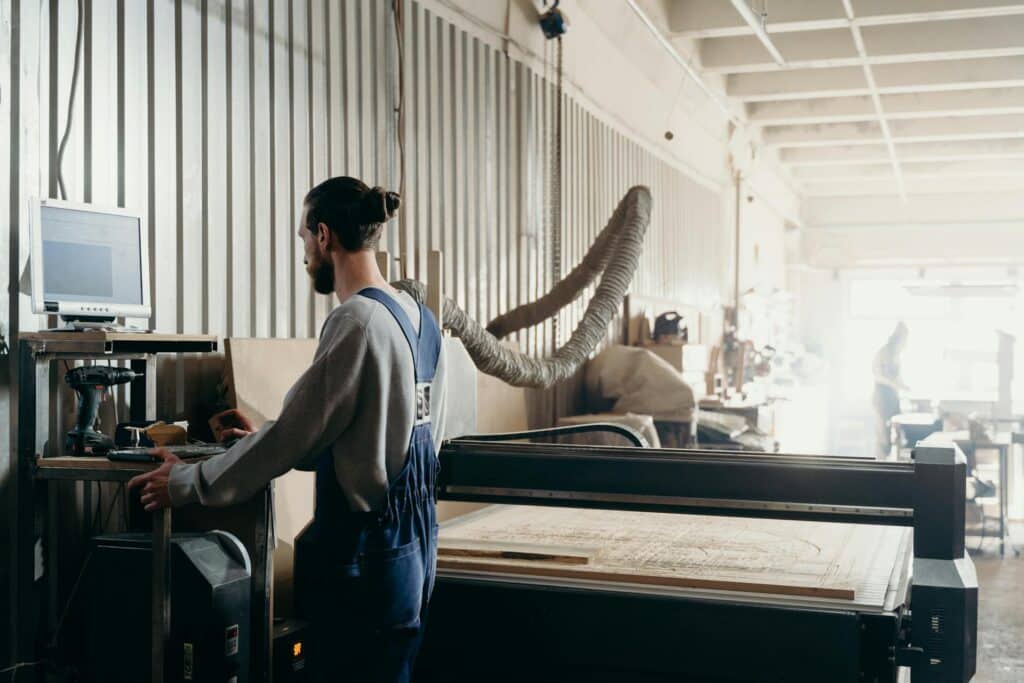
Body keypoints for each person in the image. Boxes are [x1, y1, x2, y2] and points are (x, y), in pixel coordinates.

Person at [128, 176, 447, 681]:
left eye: (303, 239)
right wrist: (264, 440)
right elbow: (381, 435)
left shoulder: (357, 322)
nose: (304, 255)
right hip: (412, 552)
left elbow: (288, 441)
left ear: (324, 236)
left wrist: (185, 483)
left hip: (363, 557)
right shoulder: (422, 320)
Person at [872, 321, 908, 458]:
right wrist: (894, 385)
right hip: (882, 397)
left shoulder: (896, 355)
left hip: (892, 397)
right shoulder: (884, 352)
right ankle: (880, 466)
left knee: (896, 433)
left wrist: (904, 386)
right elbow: (878, 375)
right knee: (883, 437)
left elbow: (897, 377)